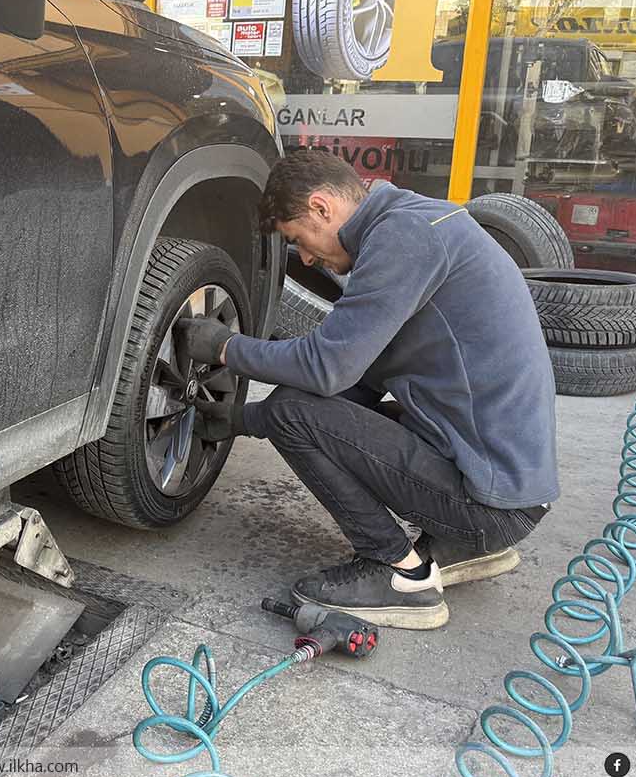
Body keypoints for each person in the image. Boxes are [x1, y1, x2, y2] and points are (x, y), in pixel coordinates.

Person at [179, 150, 558, 630]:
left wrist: (226, 348)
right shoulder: (415, 220)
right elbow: (360, 382)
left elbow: (327, 369)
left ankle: (401, 574)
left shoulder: (403, 240)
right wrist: (244, 419)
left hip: (492, 504)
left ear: (321, 207)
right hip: (507, 486)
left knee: (292, 412)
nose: (307, 259)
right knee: (294, 408)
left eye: (299, 241)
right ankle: (463, 547)